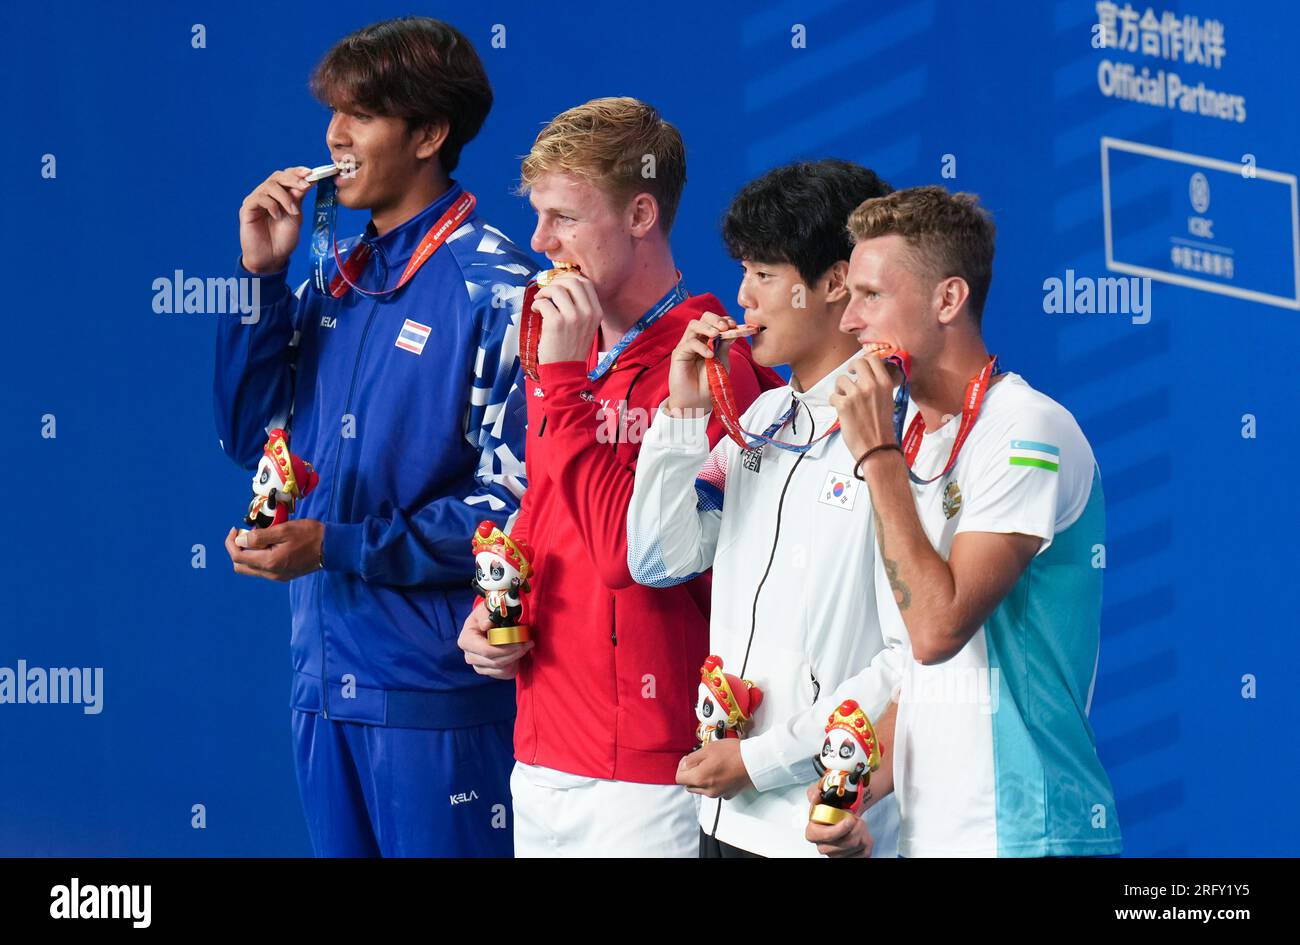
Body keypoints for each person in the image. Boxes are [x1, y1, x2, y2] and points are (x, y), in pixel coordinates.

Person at [214, 16, 536, 857]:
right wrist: (262, 281)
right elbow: (250, 435)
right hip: (322, 685)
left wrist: (336, 545)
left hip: (434, 700)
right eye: (333, 113)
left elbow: (513, 511)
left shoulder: (497, 287)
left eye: (363, 114)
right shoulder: (336, 274)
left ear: (430, 133)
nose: (334, 135)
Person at [457, 97, 782, 857]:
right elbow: (546, 515)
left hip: (651, 777)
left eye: (565, 218)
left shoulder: (716, 367)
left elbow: (631, 560)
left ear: (641, 213)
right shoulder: (565, 354)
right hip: (540, 755)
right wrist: (497, 610)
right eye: (538, 217)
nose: (542, 244)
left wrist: (562, 384)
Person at [809, 185, 1122, 857]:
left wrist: (877, 456)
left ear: (948, 300)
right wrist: (857, 788)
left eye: (871, 296)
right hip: (939, 835)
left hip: (1029, 835)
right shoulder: (919, 438)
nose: (848, 323)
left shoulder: (1024, 431)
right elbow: (919, 674)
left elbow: (937, 630)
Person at [627, 159, 906, 857]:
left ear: (835, 282)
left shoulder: (899, 436)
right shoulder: (763, 417)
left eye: (764, 274)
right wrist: (684, 416)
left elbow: (906, 663)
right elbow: (659, 559)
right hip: (723, 817)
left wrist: (760, 761)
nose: (743, 298)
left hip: (824, 824)